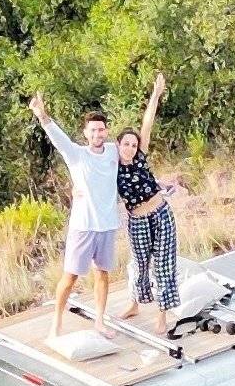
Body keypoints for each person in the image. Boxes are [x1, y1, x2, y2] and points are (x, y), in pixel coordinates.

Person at [29, 91, 121, 340]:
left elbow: (138, 144)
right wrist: (42, 114)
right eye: (92, 130)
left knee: (102, 273)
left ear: (107, 131)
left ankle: (100, 321)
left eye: (101, 130)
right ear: (85, 133)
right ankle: (56, 321)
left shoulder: (114, 151)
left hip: (108, 225)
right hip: (83, 226)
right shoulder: (77, 155)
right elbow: (58, 139)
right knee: (70, 277)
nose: (97, 134)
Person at [118, 71, 183, 331]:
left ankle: (162, 314)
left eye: (134, 145)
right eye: (126, 144)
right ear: (118, 145)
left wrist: (155, 95)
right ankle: (135, 301)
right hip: (137, 220)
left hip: (160, 213)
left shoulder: (141, 157)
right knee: (139, 262)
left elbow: (147, 123)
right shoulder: (112, 168)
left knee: (164, 263)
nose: (131, 148)